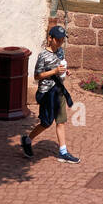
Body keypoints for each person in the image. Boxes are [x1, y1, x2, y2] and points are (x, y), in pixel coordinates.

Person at [21, 25, 79, 163]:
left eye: (62, 40)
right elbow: (37, 76)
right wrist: (54, 72)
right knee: (46, 123)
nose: (60, 42)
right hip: (47, 93)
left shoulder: (60, 52)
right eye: (57, 40)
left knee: (61, 121)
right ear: (50, 38)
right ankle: (27, 140)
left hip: (59, 90)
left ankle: (63, 152)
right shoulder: (43, 56)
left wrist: (65, 71)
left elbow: (60, 68)